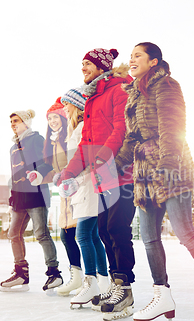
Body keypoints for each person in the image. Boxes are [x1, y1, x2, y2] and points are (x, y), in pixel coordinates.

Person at [115, 42, 194, 321]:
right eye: (130, 56)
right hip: (144, 173)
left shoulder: (166, 86)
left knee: (185, 232)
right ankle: (162, 296)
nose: (131, 60)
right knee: (148, 238)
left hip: (171, 167)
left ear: (154, 61)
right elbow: (131, 139)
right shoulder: (133, 95)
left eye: (137, 56)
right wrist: (112, 166)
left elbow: (173, 128)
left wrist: (167, 167)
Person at [56, 48, 136, 321]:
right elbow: (85, 144)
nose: (83, 69)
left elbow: (120, 129)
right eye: (81, 65)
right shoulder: (92, 99)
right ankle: (116, 285)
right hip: (101, 175)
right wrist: (69, 171)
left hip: (120, 171)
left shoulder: (119, 89)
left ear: (102, 66)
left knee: (116, 228)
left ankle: (124, 286)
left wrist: (103, 157)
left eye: (87, 64)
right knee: (103, 230)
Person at [0, 109, 63, 292]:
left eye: (16, 121)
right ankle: (21, 273)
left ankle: (54, 273)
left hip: (36, 194)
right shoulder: (13, 148)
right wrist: (12, 196)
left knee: (41, 233)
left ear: (26, 122)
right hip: (19, 198)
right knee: (13, 234)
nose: (13, 124)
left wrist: (38, 173)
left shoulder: (36, 139)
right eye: (11, 122)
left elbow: (48, 161)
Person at [58, 88, 110, 309]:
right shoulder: (74, 130)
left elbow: (85, 159)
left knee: (83, 236)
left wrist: (70, 179)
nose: (65, 108)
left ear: (77, 106)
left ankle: (91, 282)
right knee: (93, 236)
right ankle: (103, 282)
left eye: (67, 104)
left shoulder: (80, 129)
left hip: (88, 187)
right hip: (81, 187)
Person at [27, 98, 83, 296]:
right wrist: (40, 176)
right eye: (49, 118)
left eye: (56, 116)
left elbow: (78, 162)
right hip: (65, 194)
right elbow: (55, 170)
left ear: (64, 117)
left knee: (83, 236)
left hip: (79, 191)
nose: (52, 121)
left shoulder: (70, 137)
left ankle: (92, 277)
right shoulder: (54, 142)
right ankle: (77, 276)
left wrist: (70, 178)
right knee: (67, 236)